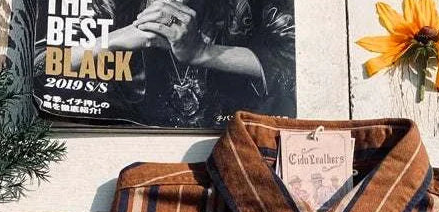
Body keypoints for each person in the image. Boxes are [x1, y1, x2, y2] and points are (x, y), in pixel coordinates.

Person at [37, 0, 296, 128]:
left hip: (234, 145)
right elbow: (34, 69)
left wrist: (202, 52)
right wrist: (112, 40)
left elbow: (299, 69)